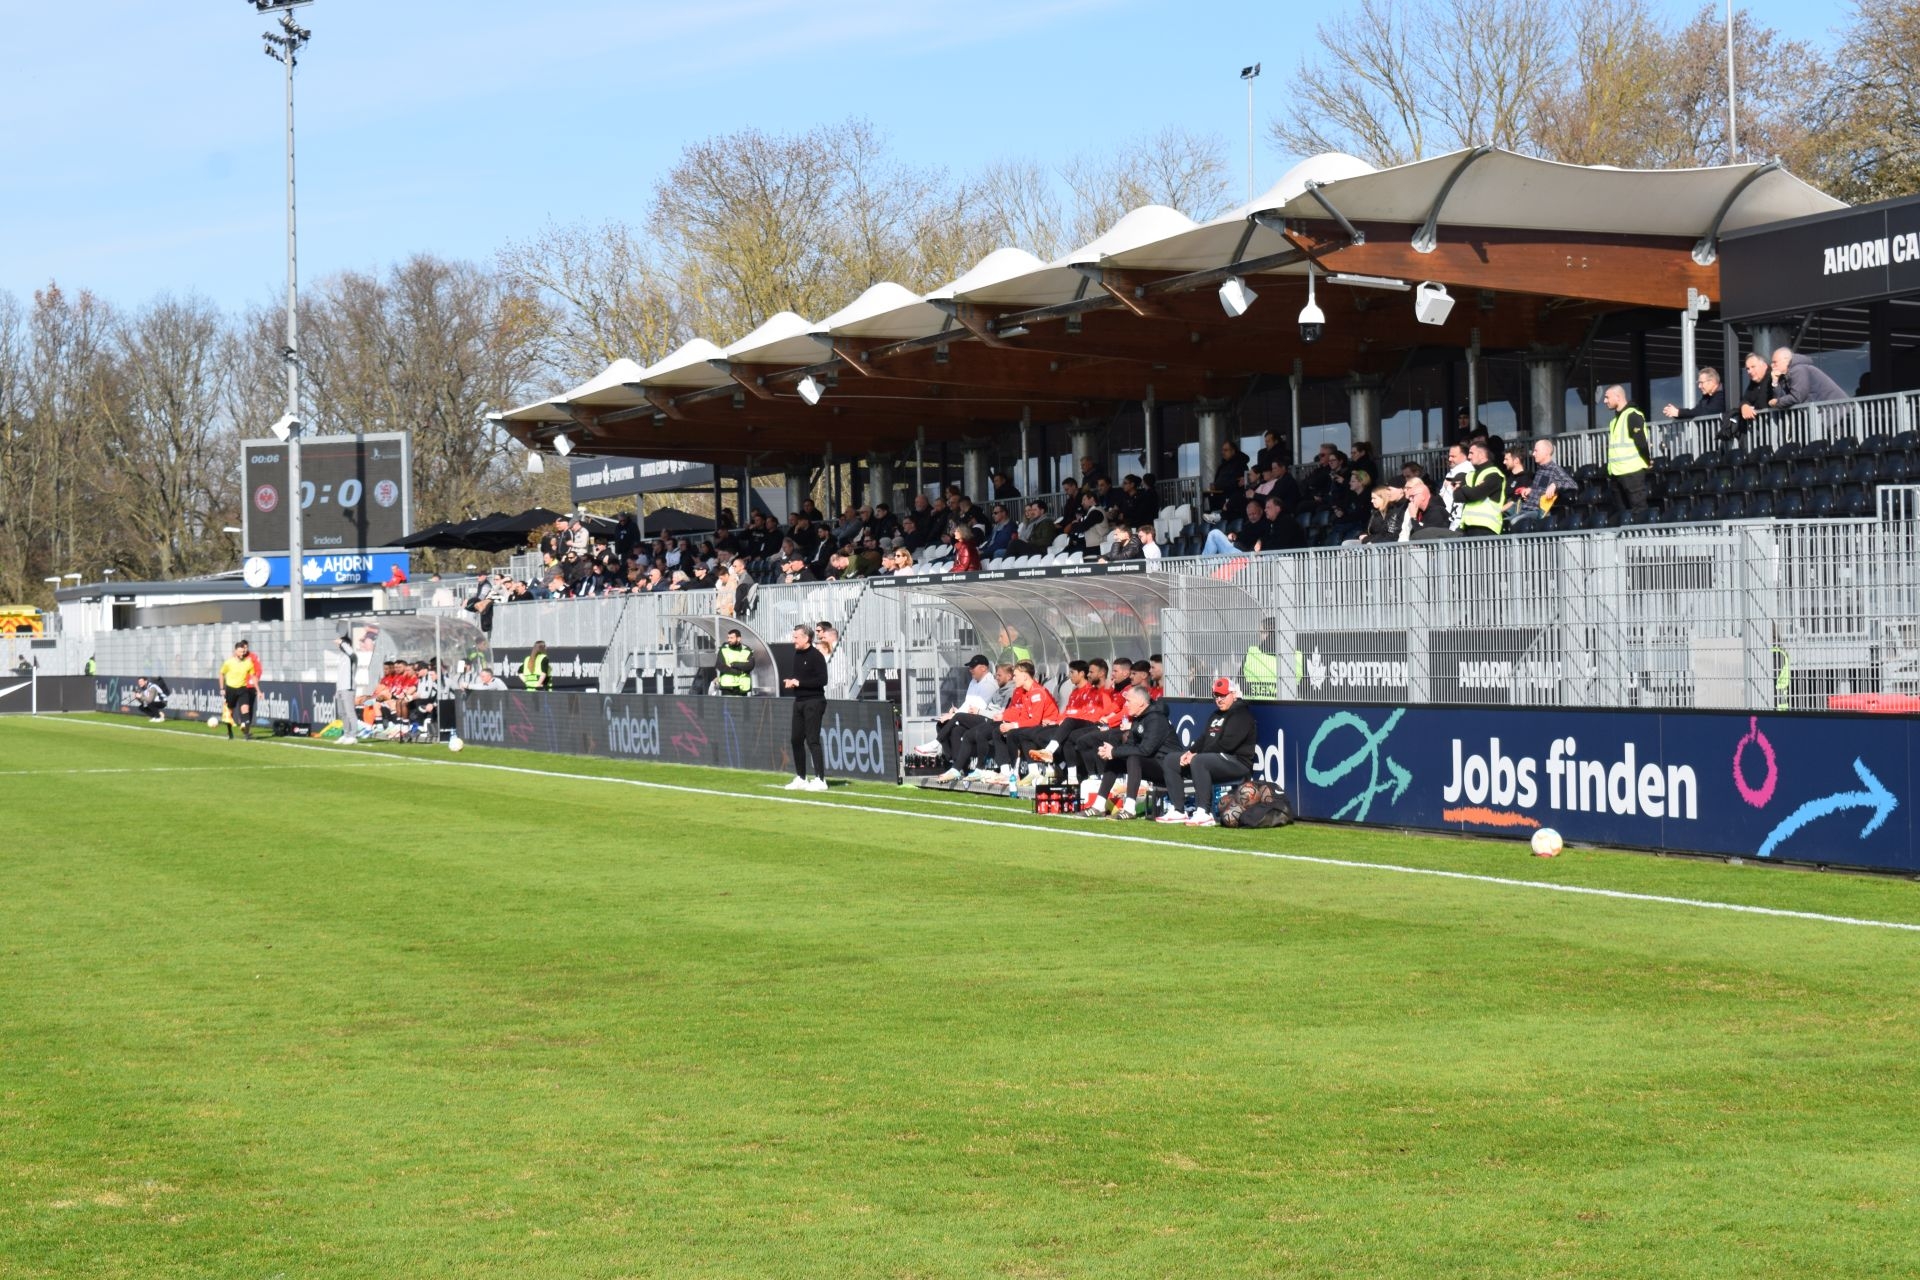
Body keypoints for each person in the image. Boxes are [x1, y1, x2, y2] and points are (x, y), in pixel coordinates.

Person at [1156, 677, 1258, 826]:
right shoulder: (1216, 715)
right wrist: (1190, 752)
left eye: (1223, 695)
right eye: (1216, 696)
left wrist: (1197, 756)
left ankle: (1204, 812)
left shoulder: (1242, 715)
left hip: (1237, 762)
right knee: (1171, 759)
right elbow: (1205, 738)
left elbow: (1227, 745)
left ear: (1234, 694)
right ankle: (1178, 810)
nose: (1219, 699)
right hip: (1213, 759)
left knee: (1199, 760)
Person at [1085, 685, 1173, 818]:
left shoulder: (1156, 719)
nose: (1126, 705)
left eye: (1129, 701)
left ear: (1141, 702)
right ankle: (1099, 805)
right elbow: (1130, 744)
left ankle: (1130, 808)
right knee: (1115, 760)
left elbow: (1145, 750)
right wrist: (1110, 752)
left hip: (1167, 767)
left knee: (1133, 758)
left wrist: (1114, 751)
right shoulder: (1139, 719)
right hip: (1153, 763)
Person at [782, 624, 830, 791]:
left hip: (814, 702)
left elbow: (822, 680)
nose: (793, 640)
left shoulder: (816, 656)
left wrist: (799, 683)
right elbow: (799, 678)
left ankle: (820, 779)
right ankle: (801, 777)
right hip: (799, 701)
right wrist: (792, 683)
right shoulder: (796, 654)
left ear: (806, 638)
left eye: (796, 637)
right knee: (795, 739)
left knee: (812, 740)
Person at [1603, 384, 1652, 514]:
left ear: (1618, 397)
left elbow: (1641, 443)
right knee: (1622, 512)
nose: (1605, 401)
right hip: (1617, 473)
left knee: (1639, 509)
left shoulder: (1632, 415)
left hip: (1632, 472)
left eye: (1607, 397)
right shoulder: (1614, 421)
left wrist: (1647, 461)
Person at [1511, 438, 1577, 530]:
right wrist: (1530, 489)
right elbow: (1540, 488)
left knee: (1514, 522)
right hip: (1525, 509)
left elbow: (1573, 485)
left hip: (1537, 511)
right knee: (1504, 521)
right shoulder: (1540, 470)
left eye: (1536, 451)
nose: (1533, 454)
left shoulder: (1555, 469)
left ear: (1546, 452)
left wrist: (1555, 485)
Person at [1454, 438, 1509, 535]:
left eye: (1472, 453)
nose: (1469, 457)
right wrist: (1470, 490)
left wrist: (1463, 487)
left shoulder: (1494, 474)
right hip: (1467, 527)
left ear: (1482, 455)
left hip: (1486, 529)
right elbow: (1457, 496)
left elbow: (1475, 495)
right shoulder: (1470, 475)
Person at [1769, 346, 1849, 409]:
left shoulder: (1798, 369)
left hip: (1835, 413)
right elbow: (1782, 399)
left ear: (1786, 360)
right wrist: (1775, 382)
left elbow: (1797, 397)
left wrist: (1777, 402)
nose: (1772, 365)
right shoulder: (1786, 374)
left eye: (1775, 362)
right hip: (1826, 413)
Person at [217, 640, 258, 741]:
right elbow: (221, 674)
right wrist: (222, 688)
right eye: (240, 651)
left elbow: (253, 677)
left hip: (243, 689)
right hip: (230, 689)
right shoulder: (229, 662)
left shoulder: (248, 663)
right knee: (229, 712)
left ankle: (246, 733)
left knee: (245, 710)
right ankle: (229, 732)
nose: (242, 653)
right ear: (235, 651)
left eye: (243, 652)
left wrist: (258, 690)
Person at [1662, 366, 1727, 427]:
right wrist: (1676, 413)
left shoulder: (1724, 395)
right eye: (1698, 383)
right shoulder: (1706, 397)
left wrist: (1679, 412)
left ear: (1711, 382)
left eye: (1701, 382)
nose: (1699, 386)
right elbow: (1696, 411)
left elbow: (1705, 412)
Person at [1736, 351, 1773, 427]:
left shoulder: (1773, 378)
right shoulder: (1753, 383)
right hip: (1763, 428)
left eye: (1753, 367)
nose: (1750, 371)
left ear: (1764, 366)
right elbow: (1745, 399)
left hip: (1776, 427)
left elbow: (1763, 403)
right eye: (1748, 369)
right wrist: (1744, 406)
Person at [716, 628, 753, 696]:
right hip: (728, 687)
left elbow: (750, 665)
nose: (729, 640)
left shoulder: (747, 650)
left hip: (742, 687)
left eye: (731, 638)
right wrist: (738, 671)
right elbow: (720, 665)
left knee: (742, 706)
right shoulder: (723, 649)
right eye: (728, 638)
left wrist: (733, 664)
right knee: (729, 706)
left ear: (738, 638)